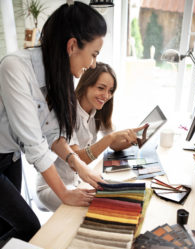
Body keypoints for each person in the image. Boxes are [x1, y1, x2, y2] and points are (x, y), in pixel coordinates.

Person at [0, 2, 108, 242]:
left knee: (6, 227)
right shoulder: (15, 67)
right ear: (72, 46)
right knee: (28, 227)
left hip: (10, 156)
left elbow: (51, 134)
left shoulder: (59, 75)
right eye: (93, 54)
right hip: (5, 152)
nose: (92, 64)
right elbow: (34, 143)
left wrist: (80, 166)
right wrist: (64, 193)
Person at [37, 62, 148, 211]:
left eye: (110, 91)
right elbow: (77, 158)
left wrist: (133, 140)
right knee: (99, 207)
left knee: (119, 197)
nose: (106, 95)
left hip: (77, 182)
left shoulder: (97, 111)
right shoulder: (68, 112)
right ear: (86, 85)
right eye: (101, 88)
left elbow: (115, 145)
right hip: (52, 187)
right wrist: (110, 138)